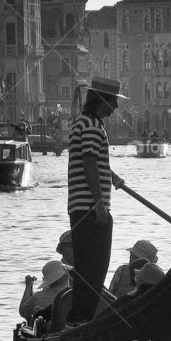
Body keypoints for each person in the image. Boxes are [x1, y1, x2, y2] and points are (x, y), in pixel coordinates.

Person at [66, 77, 126, 325]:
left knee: (86, 268)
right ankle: (80, 321)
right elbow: (89, 162)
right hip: (91, 209)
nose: (116, 107)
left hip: (80, 207)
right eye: (113, 101)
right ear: (103, 100)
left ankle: (77, 320)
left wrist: (111, 175)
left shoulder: (83, 123)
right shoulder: (91, 125)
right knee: (95, 269)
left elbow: (90, 159)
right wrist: (99, 205)